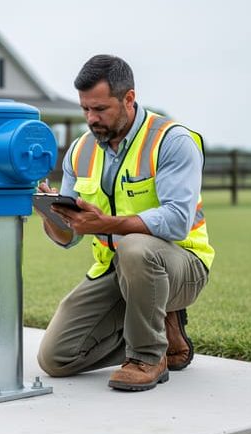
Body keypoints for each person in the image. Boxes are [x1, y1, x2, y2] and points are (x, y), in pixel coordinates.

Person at [35, 54, 215, 392]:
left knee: (135, 247)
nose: (91, 118)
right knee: (55, 359)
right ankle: (160, 330)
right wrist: (52, 214)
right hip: (118, 271)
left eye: (100, 109)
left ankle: (148, 357)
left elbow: (177, 221)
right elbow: (69, 236)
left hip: (182, 265)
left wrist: (106, 223)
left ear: (128, 98)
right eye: (85, 109)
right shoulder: (79, 151)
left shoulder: (172, 141)